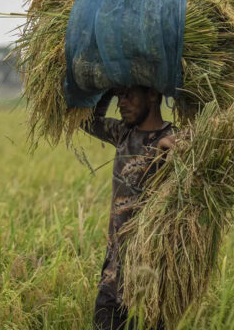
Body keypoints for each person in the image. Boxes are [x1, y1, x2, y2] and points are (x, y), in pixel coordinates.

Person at [82, 86, 176, 330]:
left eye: (129, 95)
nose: (122, 103)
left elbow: (198, 145)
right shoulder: (123, 133)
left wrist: (178, 144)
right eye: (119, 96)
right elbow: (85, 119)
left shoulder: (176, 138)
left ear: (153, 94)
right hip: (113, 277)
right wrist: (107, 87)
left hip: (152, 280)